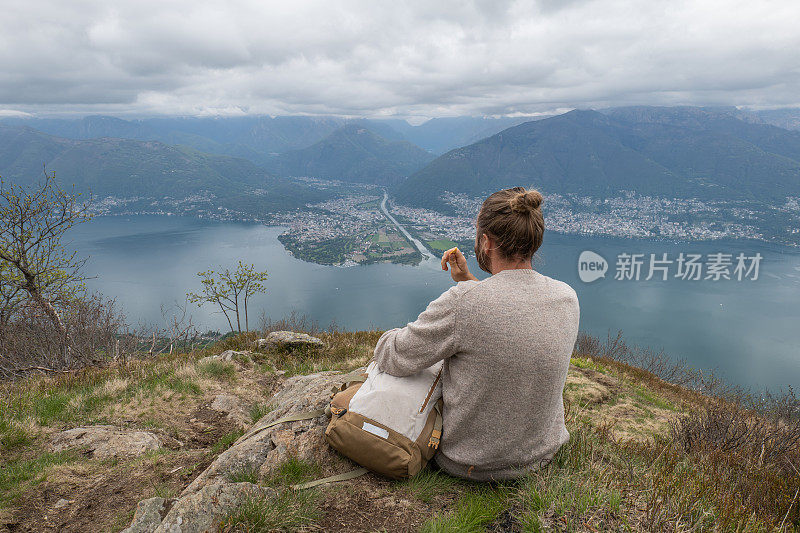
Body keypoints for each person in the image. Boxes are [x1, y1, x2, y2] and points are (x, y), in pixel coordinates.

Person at [373, 186, 580, 481]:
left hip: (469, 463)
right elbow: (509, 315)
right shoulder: (567, 297)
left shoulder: (465, 302)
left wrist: (392, 334)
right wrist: (470, 281)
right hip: (541, 455)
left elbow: (393, 357)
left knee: (428, 363)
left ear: (485, 242)